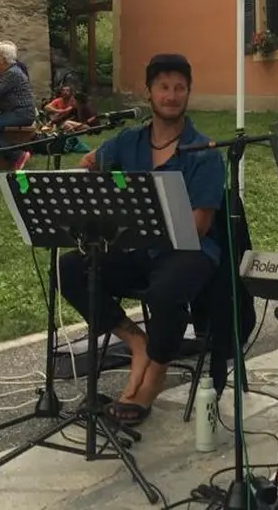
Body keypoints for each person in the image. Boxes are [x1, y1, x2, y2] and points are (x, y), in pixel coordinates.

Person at [58, 53, 224, 427]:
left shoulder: (203, 152)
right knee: (69, 268)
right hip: (136, 248)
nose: (171, 95)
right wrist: (96, 172)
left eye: (179, 88)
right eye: (163, 87)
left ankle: (156, 372)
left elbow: (198, 226)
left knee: (165, 292)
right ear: (149, 92)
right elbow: (91, 163)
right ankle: (137, 342)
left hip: (188, 250)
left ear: (188, 93)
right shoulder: (128, 141)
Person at [0, 41, 37, 170]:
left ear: (3, 59)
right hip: (12, 111)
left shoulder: (13, 73)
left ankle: (17, 155)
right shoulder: (6, 71)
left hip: (21, 113)